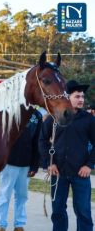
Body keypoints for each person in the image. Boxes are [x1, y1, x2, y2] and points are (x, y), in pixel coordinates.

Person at [39, 80, 95, 231]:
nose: (81, 99)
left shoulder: (89, 120)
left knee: (83, 212)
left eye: (82, 96)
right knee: (57, 211)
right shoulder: (55, 117)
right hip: (58, 173)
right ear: (67, 97)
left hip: (80, 174)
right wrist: (48, 163)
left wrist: (89, 165)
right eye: (77, 96)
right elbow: (42, 140)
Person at [0, 110, 43, 231]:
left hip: (26, 164)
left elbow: (37, 141)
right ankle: (1, 224)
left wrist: (34, 165)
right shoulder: (9, 111)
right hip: (8, 162)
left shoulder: (37, 116)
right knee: (4, 195)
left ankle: (19, 224)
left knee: (22, 196)